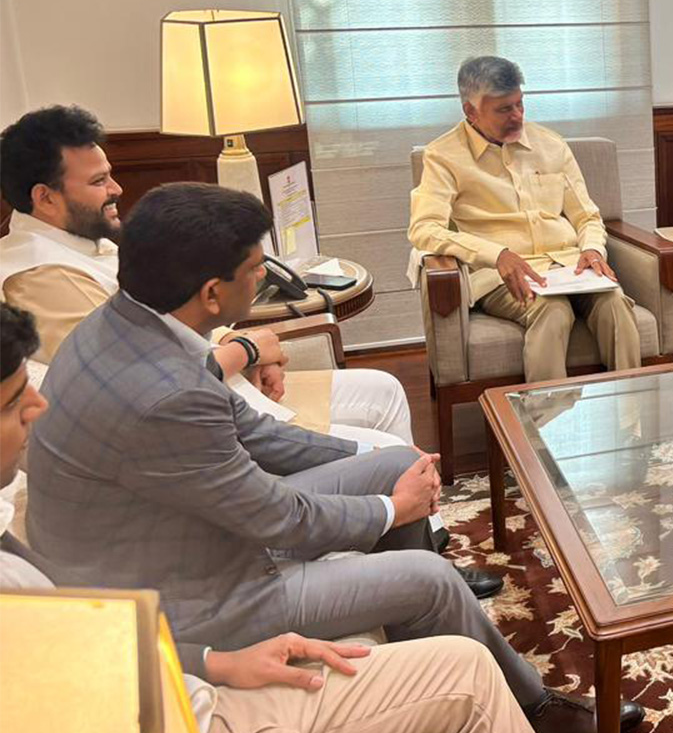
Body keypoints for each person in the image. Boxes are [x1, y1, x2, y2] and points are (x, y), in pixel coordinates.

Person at [24, 182, 643, 733]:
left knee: (394, 460)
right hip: (197, 600)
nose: (265, 276)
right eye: (254, 269)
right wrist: (391, 509)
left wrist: (376, 463)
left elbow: (256, 435)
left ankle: (418, 635)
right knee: (429, 577)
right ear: (212, 293)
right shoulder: (164, 394)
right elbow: (276, 516)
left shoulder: (126, 327)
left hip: (181, 544)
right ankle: (532, 707)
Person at [0, 303, 613, 733]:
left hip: (193, 690)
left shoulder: (139, 342)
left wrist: (209, 663)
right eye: (11, 401)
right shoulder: (151, 387)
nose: (39, 407)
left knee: (467, 666)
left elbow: (90, 670)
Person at [0, 105, 497, 597]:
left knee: (385, 397)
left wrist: (255, 351)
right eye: (99, 181)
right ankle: (414, 555)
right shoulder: (40, 276)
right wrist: (247, 349)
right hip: (203, 494)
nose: (117, 190)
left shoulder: (92, 242)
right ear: (44, 197)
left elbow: (173, 331)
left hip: (230, 397)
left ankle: (423, 543)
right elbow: (151, 372)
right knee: (385, 455)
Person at [409, 56, 641, 382]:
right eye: (504, 109)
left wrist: (592, 250)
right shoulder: (443, 156)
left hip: (570, 267)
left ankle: (632, 419)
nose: (517, 115)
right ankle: (548, 426)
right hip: (503, 275)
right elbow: (424, 229)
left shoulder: (551, 144)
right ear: (470, 112)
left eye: (520, 104)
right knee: (553, 312)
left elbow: (586, 215)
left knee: (614, 303)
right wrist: (496, 255)